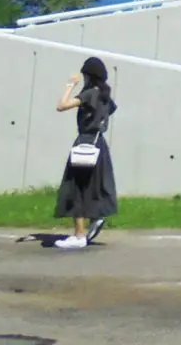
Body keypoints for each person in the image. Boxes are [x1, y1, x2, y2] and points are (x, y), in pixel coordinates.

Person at [52, 56, 118, 249]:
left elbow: (61, 106)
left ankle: (79, 235)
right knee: (94, 184)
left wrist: (70, 85)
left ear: (89, 76)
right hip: (99, 144)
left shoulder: (89, 93)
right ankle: (96, 216)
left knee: (76, 187)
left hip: (85, 142)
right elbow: (110, 111)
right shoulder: (105, 96)